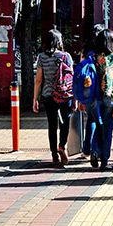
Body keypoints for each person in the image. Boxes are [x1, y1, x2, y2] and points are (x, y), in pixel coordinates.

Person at [33, 29, 74, 165]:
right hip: (64, 94)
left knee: (52, 124)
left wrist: (35, 99)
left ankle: (54, 156)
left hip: (48, 94)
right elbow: (71, 78)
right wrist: (74, 99)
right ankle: (62, 146)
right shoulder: (65, 56)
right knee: (64, 123)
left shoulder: (42, 57)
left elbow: (38, 80)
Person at [89, 28, 113, 170]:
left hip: (94, 97)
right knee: (107, 128)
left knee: (98, 124)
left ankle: (94, 150)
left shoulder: (93, 56)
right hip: (111, 97)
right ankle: (104, 160)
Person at [82, 23, 105, 157]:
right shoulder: (102, 52)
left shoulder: (86, 51)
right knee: (99, 121)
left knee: (90, 119)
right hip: (99, 91)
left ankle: (86, 148)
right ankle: (95, 150)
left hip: (88, 90)